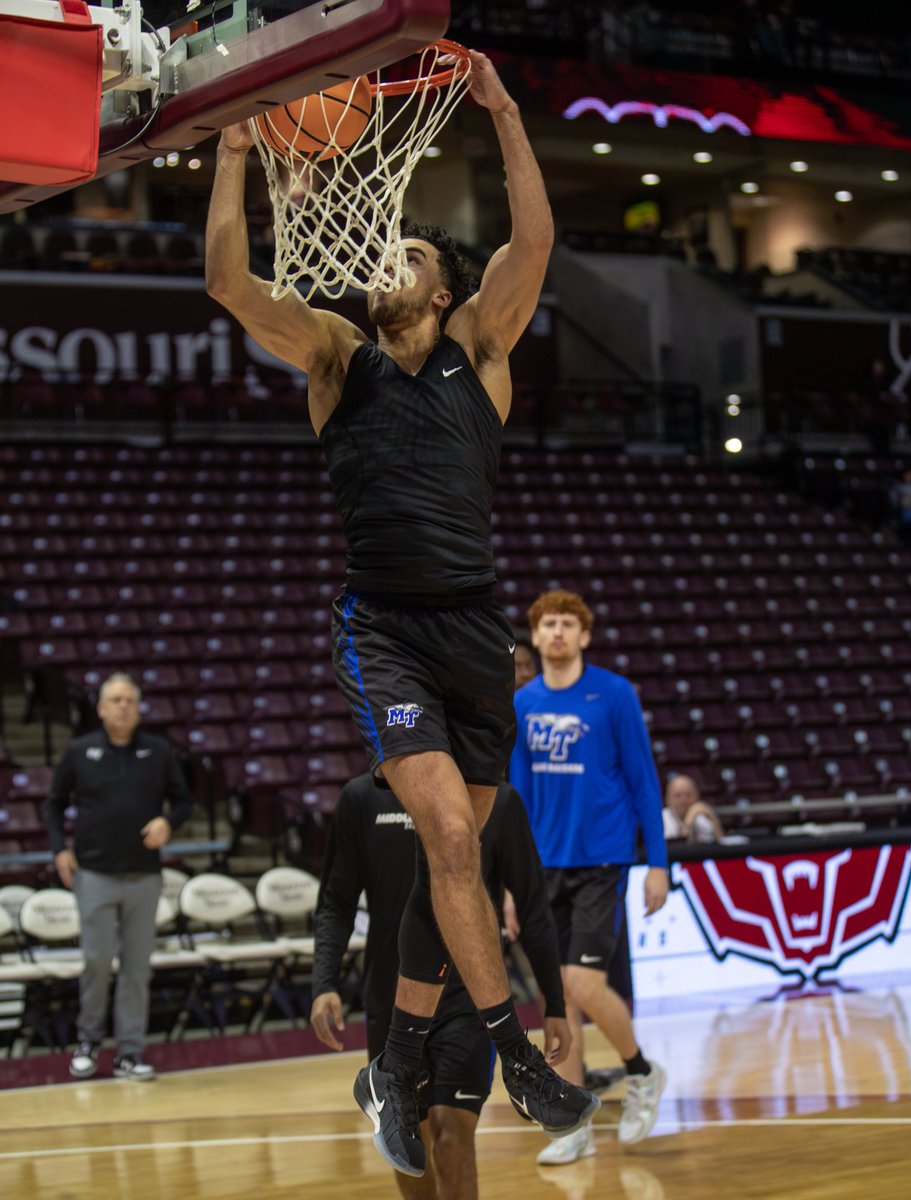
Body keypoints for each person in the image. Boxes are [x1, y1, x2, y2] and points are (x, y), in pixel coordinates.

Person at [205, 49, 597, 1177]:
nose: (386, 259)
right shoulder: (336, 357)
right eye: (381, 249)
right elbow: (233, 286)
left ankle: (397, 1059)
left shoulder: (481, 349)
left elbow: (534, 243)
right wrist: (234, 155)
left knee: (450, 867)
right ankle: (515, 1055)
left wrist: (505, 111)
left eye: (408, 252)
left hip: (479, 635)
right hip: (386, 627)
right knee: (450, 837)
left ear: (440, 286)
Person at [311, 774, 570, 1200]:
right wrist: (324, 981)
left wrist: (554, 1004)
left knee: (453, 1135)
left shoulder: (497, 800)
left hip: (469, 1002)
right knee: (410, 1152)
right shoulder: (361, 799)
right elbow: (337, 900)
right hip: (391, 1002)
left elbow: (533, 906)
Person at [511, 589, 670, 1165]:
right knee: (558, 1002)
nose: (556, 632)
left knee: (581, 984)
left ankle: (641, 1072)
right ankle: (574, 1122)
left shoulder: (615, 694)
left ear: (584, 636)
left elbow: (645, 782)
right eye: (547, 623)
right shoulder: (523, 702)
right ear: (535, 637)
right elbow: (518, 800)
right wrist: (509, 881)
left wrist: (658, 864)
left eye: (566, 624)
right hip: (542, 866)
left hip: (602, 861)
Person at [43, 673, 193, 1080]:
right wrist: (60, 849)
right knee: (95, 961)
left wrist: (167, 821)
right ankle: (88, 1041)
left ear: (138, 707)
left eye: (130, 699)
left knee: (136, 967)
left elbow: (183, 802)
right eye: (116, 699)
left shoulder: (158, 752)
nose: (124, 706)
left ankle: (129, 1052)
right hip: (93, 875)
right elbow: (53, 805)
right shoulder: (79, 751)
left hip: (144, 877)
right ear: (101, 708)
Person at [662, 774, 724, 844]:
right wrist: (689, 820)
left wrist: (712, 816)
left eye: (689, 795)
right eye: (678, 795)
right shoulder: (662, 820)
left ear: (697, 797)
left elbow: (720, 844)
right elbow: (680, 849)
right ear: (667, 799)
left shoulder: (700, 818)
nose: (683, 801)